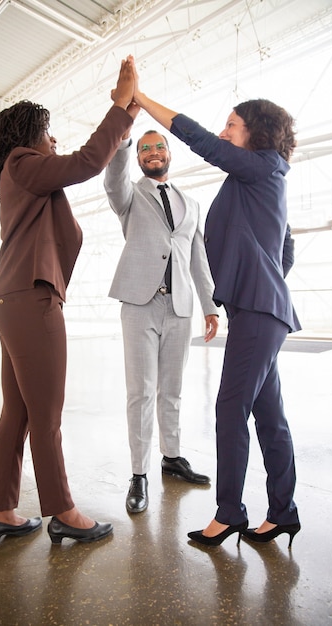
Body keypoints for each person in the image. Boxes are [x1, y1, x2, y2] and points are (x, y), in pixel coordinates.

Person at [129, 55, 301, 545]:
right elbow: (284, 244)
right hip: (260, 308)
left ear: (256, 132)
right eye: (225, 124)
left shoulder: (261, 166)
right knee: (269, 415)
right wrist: (264, 278)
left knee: (230, 407)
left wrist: (141, 101)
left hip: (259, 311)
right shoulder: (262, 178)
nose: (225, 132)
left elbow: (200, 141)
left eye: (232, 124)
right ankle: (284, 510)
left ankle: (229, 512)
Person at [0, 59, 135, 547]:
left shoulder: (21, 176)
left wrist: (125, 108)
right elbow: (87, 162)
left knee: (19, 411)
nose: (54, 139)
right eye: (47, 131)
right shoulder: (24, 164)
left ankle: (2, 512)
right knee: (45, 413)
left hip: (12, 298)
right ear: (28, 135)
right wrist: (120, 108)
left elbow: (77, 165)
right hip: (30, 298)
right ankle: (64, 512)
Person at [104, 100, 219, 514]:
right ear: (138, 157)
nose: (153, 153)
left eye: (160, 148)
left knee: (172, 391)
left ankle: (172, 457)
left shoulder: (191, 204)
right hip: (139, 305)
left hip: (181, 308)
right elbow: (114, 179)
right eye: (145, 150)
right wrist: (123, 140)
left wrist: (210, 306)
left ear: (169, 155)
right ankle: (139, 474)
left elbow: (198, 258)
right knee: (142, 393)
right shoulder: (130, 196)